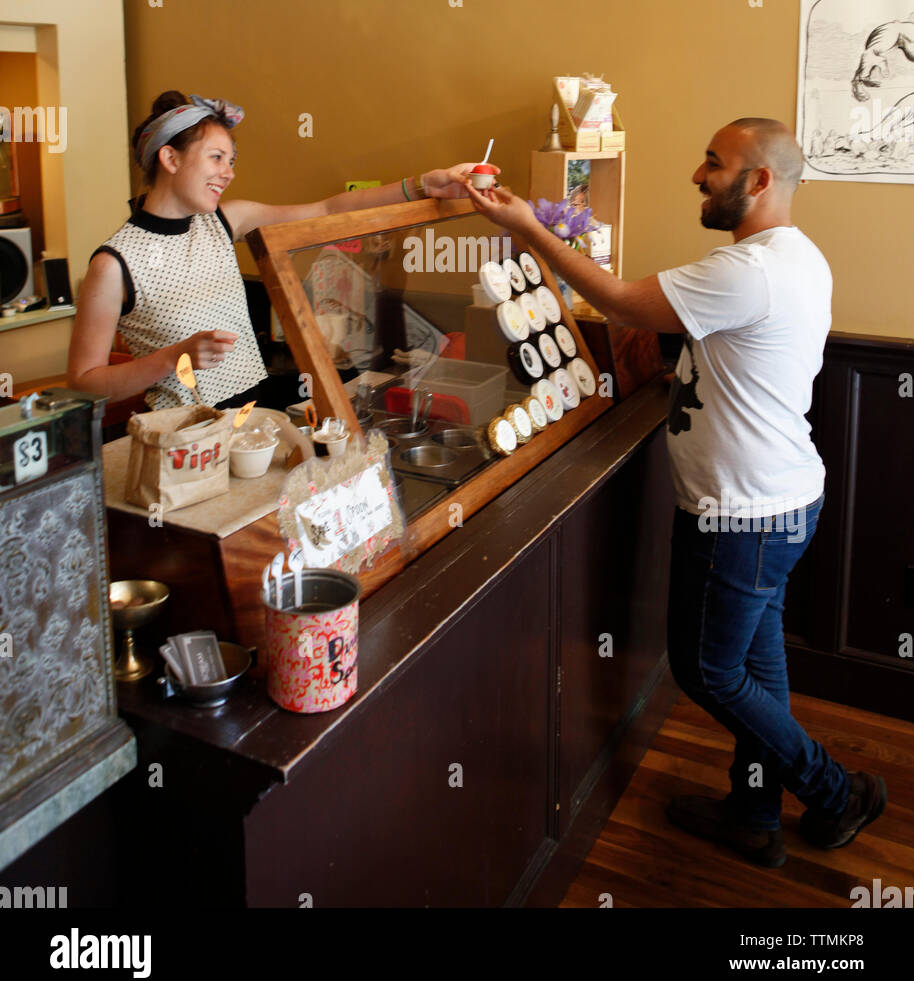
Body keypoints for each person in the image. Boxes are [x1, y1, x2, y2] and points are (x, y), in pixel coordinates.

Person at [467, 117, 887, 869]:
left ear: (758, 181)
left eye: (713, 163)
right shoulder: (792, 257)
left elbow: (624, 304)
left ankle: (834, 791)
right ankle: (755, 813)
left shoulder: (749, 270)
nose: (697, 175)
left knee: (706, 670)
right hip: (778, 502)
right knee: (757, 666)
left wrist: (528, 226)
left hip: (744, 513)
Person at [68, 91, 475, 412]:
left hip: (254, 416)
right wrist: (173, 358)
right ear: (169, 158)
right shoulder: (113, 265)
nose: (228, 173)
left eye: (232, 160)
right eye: (216, 158)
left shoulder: (226, 221)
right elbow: (85, 382)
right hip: (187, 439)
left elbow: (328, 210)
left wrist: (423, 185)